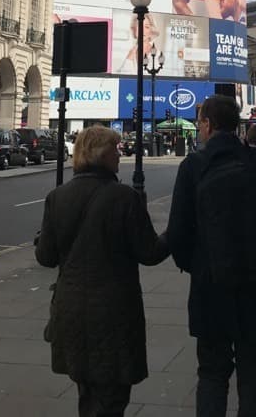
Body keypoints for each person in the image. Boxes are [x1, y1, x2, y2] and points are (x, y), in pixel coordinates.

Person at [167, 95, 256, 417]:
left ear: (208, 125)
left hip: (210, 284)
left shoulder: (193, 166)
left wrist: (197, 263)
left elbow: (177, 235)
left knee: (212, 374)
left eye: (200, 122)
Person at [35, 124, 168, 417]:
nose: (119, 155)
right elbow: (149, 253)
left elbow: (45, 257)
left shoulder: (57, 197)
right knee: (112, 398)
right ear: (101, 154)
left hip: (70, 310)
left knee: (87, 392)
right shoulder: (124, 197)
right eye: (115, 150)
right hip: (113, 312)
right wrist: (175, 234)